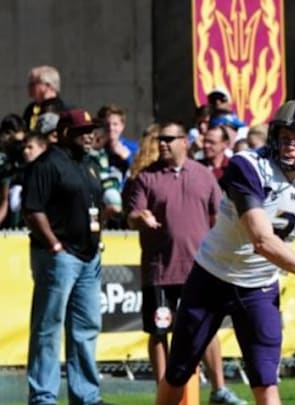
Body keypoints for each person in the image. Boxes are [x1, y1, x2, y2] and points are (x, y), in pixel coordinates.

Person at [155, 99, 295, 405]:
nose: (290, 146)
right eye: (285, 137)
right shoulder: (248, 167)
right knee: (179, 371)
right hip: (212, 277)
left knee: (266, 381)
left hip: (258, 288)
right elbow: (262, 240)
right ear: (274, 136)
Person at [124, 121, 244, 405]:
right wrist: (140, 217)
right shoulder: (146, 178)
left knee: (206, 328)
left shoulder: (204, 175)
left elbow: (219, 217)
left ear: (184, 142)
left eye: (169, 139)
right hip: (160, 270)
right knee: (158, 331)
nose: (163, 143)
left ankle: (219, 390)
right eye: (161, 139)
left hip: (201, 269)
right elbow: (131, 214)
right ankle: (165, 392)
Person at [22, 108, 109, 405]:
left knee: (85, 328)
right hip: (60, 257)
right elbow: (33, 209)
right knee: (48, 327)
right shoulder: (47, 164)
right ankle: (43, 397)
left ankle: (86, 395)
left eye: (91, 130)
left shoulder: (88, 164)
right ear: (64, 133)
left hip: (88, 257)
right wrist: (54, 245)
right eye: (82, 131)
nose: (89, 136)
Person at [23, 65, 67, 130]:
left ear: (47, 85)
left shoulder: (63, 110)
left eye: (33, 83)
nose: (29, 86)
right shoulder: (31, 109)